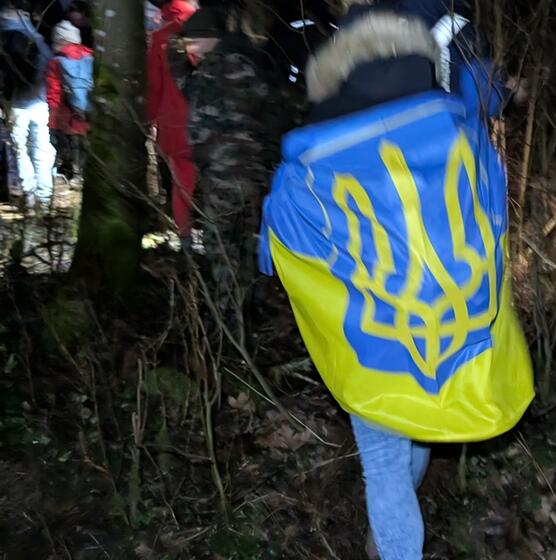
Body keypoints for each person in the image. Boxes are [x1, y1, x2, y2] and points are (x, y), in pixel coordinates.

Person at [260, 1, 534, 558]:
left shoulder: (312, 160)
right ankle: (390, 535)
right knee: (415, 422)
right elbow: (492, 208)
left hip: (375, 337)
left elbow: (278, 242)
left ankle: (393, 541)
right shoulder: (460, 131)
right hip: (453, 325)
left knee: (383, 459)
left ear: (339, 64)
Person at [176, 6, 299, 338]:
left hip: (228, 174)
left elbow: (210, 119)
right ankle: (245, 313)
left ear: (209, 39)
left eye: (192, 41)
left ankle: (229, 324)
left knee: (223, 247)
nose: (188, 49)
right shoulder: (238, 63)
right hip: (244, 172)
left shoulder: (223, 67)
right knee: (243, 244)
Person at [146, 0, 197, 242]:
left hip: (174, 122)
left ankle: (185, 238)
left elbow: (154, 86)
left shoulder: (160, 37)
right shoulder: (205, 27)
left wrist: (149, 121)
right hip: (210, 118)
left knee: (182, 183)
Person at [0, 0, 55, 208]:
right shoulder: (33, 35)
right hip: (39, 100)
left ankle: (29, 194)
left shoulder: (4, 37)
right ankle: (44, 196)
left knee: (19, 148)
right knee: (42, 146)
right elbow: (50, 61)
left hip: (15, 103)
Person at [45, 19, 93, 180]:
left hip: (67, 114)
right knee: (86, 145)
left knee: (71, 146)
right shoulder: (91, 55)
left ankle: (74, 175)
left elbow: (53, 93)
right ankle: (85, 175)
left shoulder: (56, 61)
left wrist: (52, 120)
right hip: (89, 111)